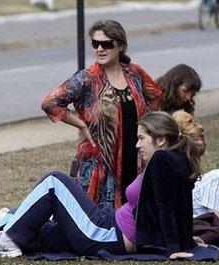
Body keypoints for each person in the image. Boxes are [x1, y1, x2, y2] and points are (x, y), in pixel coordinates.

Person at [0, 112, 201, 259]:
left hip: (108, 235)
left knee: (54, 182)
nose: (136, 144)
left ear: (160, 140)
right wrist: (188, 239)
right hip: (109, 223)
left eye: (142, 138)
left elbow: (167, 206)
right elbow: (180, 204)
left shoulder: (162, 161)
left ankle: (6, 240)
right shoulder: (174, 160)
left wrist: (174, 248)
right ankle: (2, 235)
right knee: (40, 225)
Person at [41, 20, 162, 209]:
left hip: (135, 156)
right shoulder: (87, 78)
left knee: (134, 211)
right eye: (95, 44)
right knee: (99, 218)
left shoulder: (134, 73)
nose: (99, 49)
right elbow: (50, 103)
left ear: (120, 46)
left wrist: (147, 126)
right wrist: (81, 124)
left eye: (106, 44)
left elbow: (155, 96)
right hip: (101, 163)